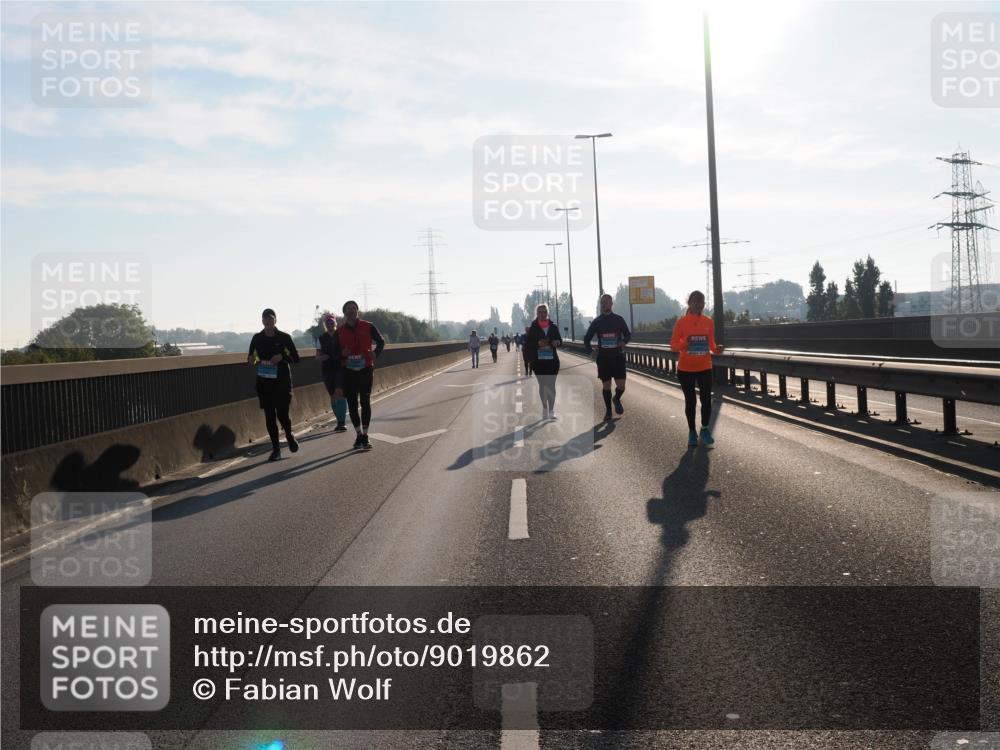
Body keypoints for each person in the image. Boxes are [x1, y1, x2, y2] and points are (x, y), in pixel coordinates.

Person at [670, 290, 725, 447]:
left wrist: (717, 349)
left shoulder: (708, 322)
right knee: (691, 401)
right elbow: (673, 346)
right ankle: (692, 432)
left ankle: (705, 429)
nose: (699, 305)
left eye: (702, 302)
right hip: (685, 369)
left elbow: (712, 345)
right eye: (696, 302)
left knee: (706, 400)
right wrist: (684, 344)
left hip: (704, 367)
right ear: (689, 303)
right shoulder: (681, 322)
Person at [247, 308, 301, 461]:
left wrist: (282, 357)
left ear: (275, 320)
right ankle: (276, 449)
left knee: (282, 415)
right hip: (264, 383)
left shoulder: (284, 337)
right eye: (265, 319)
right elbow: (251, 357)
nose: (268, 321)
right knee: (269, 416)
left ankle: (289, 435)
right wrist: (252, 360)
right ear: (262, 321)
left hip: (282, 382)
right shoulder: (257, 338)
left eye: (271, 319)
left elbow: (296, 358)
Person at [337, 300, 386, 450]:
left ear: (357, 311)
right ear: (344, 312)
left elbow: (381, 341)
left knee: (365, 401)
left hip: (365, 368)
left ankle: (365, 435)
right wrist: (341, 354)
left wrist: (375, 353)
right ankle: (358, 435)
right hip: (349, 370)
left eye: (354, 308)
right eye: (348, 309)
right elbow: (333, 352)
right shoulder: (340, 331)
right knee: (352, 403)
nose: (351, 311)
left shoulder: (368, 326)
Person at [583, 293, 632, 421]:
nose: (604, 304)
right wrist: (590, 351)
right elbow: (587, 338)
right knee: (606, 386)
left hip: (618, 357)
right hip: (603, 359)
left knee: (621, 386)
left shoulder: (619, 319)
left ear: (611, 304)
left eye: (606, 302)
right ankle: (608, 411)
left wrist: (624, 341)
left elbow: (628, 334)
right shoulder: (597, 321)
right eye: (602, 302)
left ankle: (616, 398)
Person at [524, 304, 562, 419]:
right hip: (539, 363)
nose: (542, 314)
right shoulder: (533, 327)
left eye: (544, 312)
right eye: (540, 312)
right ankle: (544, 408)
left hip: (552, 361)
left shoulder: (553, 326)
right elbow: (527, 345)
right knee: (543, 385)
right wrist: (537, 344)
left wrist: (557, 342)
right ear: (537, 313)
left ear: (547, 313)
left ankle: (551, 410)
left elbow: (560, 340)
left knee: (551, 386)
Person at [316, 314, 348, 432]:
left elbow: (346, 349)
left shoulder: (341, 335)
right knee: (333, 396)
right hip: (327, 369)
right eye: (328, 323)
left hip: (340, 367)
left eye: (332, 323)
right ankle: (339, 421)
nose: (330, 325)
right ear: (325, 325)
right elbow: (317, 356)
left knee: (340, 393)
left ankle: (342, 422)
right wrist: (322, 357)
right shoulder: (321, 338)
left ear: (335, 323)